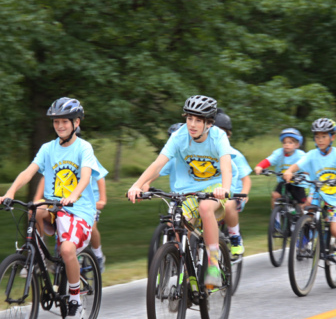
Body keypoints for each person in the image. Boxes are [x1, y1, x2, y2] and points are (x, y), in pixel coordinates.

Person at [0, 97, 97, 319]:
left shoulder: (83, 148)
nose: (60, 126)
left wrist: (74, 194)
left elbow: (86, 175)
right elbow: (28, 172)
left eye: (64, 121)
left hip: (79, 211)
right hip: (55, 207)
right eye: (56, 122)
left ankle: (74, 301)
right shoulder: (47, 149)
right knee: (35, 209)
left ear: (76, 122)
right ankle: (37, 259)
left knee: (67, 249)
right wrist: (9, 192)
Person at [127, 95, 236, 289]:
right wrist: (137, 184)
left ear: (209, 123)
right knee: (178, 225)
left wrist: (224, 189)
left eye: (198, 120)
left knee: (205, 208)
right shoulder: (179, 136)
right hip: (189, 190)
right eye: (189, 118)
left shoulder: (218, 136)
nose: (192, 124)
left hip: (216, 185)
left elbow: (226, 167)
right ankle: (188, 277)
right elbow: (159, 163)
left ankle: (213, 263)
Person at [283, 118, 336, 271]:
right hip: (320, 193)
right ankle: (306, 236)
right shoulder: (312, 154)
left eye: (324, 136)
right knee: (307, 211)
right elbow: (298, 164)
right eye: (317, 137)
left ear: (332, 137)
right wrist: (289, 171)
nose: (320, 140)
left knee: (335, 229)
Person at [34, 156, 108, 273]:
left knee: (92, 227)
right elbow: (46, 177)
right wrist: (37, 200)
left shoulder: (88, 159)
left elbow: (100, 178)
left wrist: (101, 201)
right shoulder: (61, 159)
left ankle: (98, 255)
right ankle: (50, 255)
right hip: (68, 202)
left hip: (89, 203)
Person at [214, 109, 252, 256]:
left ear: (228, 135)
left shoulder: (235, 154)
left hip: (233, 194)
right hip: (212, 193)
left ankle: (235, 236)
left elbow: (246, 179)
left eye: (222, 132)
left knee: (229, 204)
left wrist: (244, 194)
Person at [254, 128, 309, 214]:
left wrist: (308, 172)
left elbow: (307, 163)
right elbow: (269, 160)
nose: (287, 145)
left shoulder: (300, 155)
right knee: (275, 195)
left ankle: (303, 223)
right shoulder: (278, 153)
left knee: (302, 205)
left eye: (290, 142)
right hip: (283, 182)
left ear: (297, 145)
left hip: (297, 183)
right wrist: (260, 166)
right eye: (284, 142)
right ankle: (276, 216)